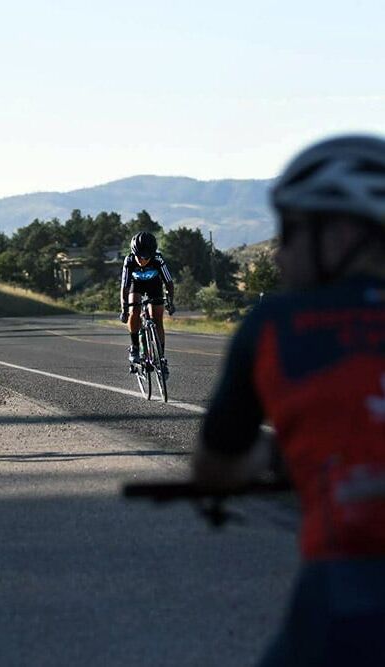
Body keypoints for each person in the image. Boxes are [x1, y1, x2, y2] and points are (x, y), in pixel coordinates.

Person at [193, 135, 385, 666]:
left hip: (349, 594)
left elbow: (215, 465)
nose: (278, 253)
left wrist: (273, 457)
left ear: (343, 232)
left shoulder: (277, 325)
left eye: (292, 232)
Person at [120, 231, 175, 375]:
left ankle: (161, 358)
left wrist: (170, 302)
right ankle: (135, 347)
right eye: (138, 256)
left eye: (145, 257)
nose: (141, 260)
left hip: (154, 285)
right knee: (134, 311)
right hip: (136, 284)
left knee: (157, 319)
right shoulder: (129, 261)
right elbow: (125, 287)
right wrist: (124, 309)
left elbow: (169, 283)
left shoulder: (158, 259)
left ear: (151, 254)